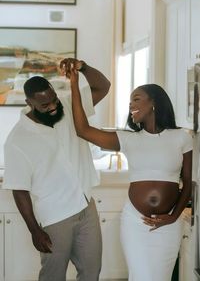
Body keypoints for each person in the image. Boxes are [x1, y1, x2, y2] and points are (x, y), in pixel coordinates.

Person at [67, 64, 193, 281]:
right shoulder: (128, 139)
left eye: (136, 99)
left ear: (154, 101)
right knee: (140, 275)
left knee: (160, 277)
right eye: (130, 101)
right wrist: (75, 84)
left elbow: (189, 183)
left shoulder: (181, 137)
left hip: (169, 225)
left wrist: (173, 216)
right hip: (136, 223)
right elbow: (82, 130)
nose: (130, 104)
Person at [3, 58, 111, 281]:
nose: (52, 107)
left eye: (53, 100)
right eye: (45, 105)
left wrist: (84, 68)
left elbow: (103, 87)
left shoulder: (70, 106)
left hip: (85, 205)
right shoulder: (17, 140)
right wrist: (34, 230)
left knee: (92, 272)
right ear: (29, 103)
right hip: (54, 216)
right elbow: (19, 189)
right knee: (53, 276)